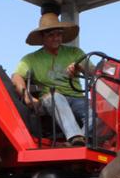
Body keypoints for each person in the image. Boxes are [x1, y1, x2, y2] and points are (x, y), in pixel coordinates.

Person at [12, 12, 88, 146]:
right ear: (42, 37)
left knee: (99, 110)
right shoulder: (31, 59)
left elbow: (94, 72)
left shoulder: (75, 53)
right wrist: (27, 96)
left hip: (77, 98)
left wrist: (81, 67)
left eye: (58, 34)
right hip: (51, 99)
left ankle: (83, 140)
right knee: (56, 97)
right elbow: (17, 76)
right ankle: (76, 139)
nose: (56, 38)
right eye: (51, 35)